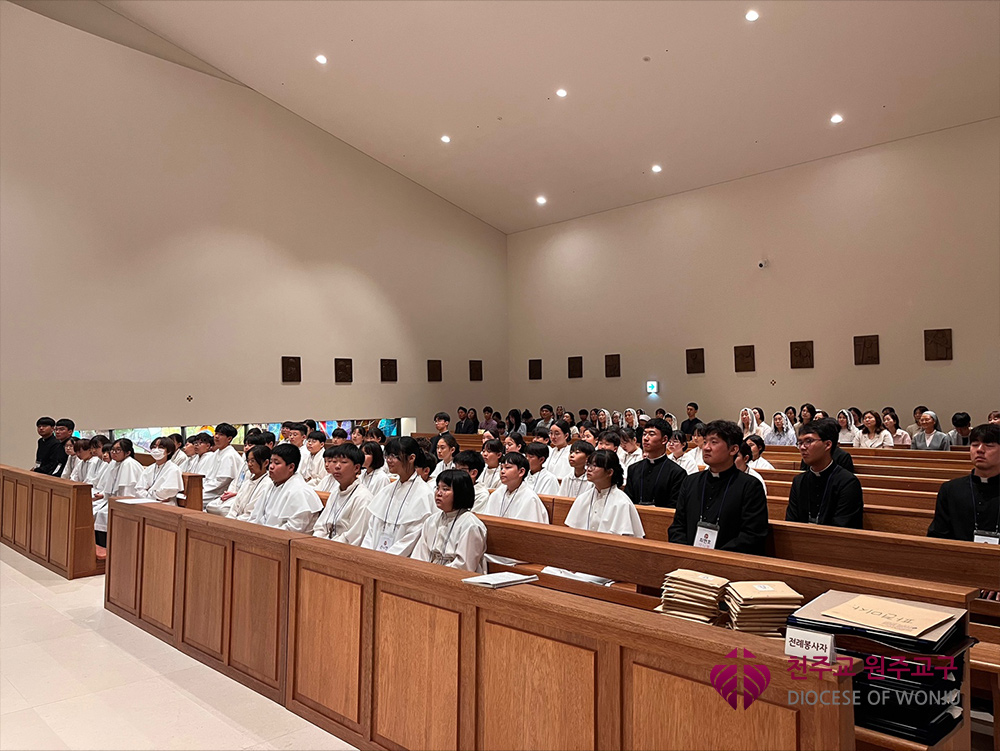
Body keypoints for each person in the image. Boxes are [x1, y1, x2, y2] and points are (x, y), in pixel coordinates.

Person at [667, 420, 769, 554]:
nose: (706, 448)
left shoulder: (750, 486)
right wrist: (688, 553)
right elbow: (677, 527)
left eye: (714, 442)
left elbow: (752, 535)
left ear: (733, 449)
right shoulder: (690, 482)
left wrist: (714, 557)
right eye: (705, 442)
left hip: (728, 560)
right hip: (688, 557)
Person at [360, 437, 435, 555]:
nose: (389, 460)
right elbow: (372, 527)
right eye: (388, 455)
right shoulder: (387, 490)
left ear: (411, 458)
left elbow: (413, 537)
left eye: (394, 456)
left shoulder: (425, 494)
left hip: (402, 558)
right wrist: (367, 553)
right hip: (374, 555)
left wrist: (387, 558)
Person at [786, 418, 864, 528]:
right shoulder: (799, 481)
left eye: (809, 441)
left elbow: (843, 528)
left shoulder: (847, 482)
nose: (802, 447)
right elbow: (791, 523)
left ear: (827, 445)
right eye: (800, 442)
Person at [927, 424, 999, 541]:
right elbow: (938, 534)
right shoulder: (950, 489)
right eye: (974, 445)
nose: (980, 450)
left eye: (989, 445)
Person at [411, 470, 487, 572]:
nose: (438, 493)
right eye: (437, 488)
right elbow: (420, 555)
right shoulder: (431, 521)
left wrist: (434, 574)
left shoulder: (471, 525)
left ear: (460, 493)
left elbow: (465, 565)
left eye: (445, 489)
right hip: (429, 572)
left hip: (456, 576)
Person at [564, 450, 644, 537]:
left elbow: (625, 539)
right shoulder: (582, 498)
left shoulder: (622, 503)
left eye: (594, 466)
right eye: (589, 465)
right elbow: (571, 532)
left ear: (609, 472)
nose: (589, 469)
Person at [249, 443, 323, 532]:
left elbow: (294, 528)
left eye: (276, 463)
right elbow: (255, 516)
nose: (271, 467)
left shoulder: (300, 492)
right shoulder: (271, 485)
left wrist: (263, 533)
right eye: (271, 462)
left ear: (291, 467)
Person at [311, 443, 374, 543]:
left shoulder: (363, 498)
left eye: (343, 462)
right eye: (334, 461)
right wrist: (317, 541)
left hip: (343, 548)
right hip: (325, 544)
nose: (337, 466)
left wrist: (326, 544)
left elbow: (354, 538)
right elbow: (320, 526)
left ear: (356, 468)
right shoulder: (335, 493)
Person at [92, 439, 145, 553]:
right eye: (113, 450)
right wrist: (104, 495)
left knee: (102, 514)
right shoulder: (114, 463)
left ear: (128, 452)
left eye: (118, 450)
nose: (114, 453)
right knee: (94, 510)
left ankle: (108, 548)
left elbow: (128, 491)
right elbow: (110, 486)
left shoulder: (129, 464)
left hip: (128, 502)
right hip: (113, 499)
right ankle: (98, 547)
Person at [624, 418, 688, 508]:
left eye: (651, 434)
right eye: (644, 434)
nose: (645, 438)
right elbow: (627, 502)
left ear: (664, 440)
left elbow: (675, 507)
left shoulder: (677, 473)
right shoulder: (633, 469)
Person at [479, 452, 549, 523]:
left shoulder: (530, 498)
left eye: (507, 467)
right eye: (501, 468)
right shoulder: (496, 494)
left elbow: (531, 527)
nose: (502, 471)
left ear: (521, 472)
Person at [226, 446, 273, 522]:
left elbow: (252, 513)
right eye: (248, 461)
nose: (249, 464)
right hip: (236, 519)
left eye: (253, 461)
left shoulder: (267, 484)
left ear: (266, 463)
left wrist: (234, 521)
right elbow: (235, 506)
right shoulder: (248, 481)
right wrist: (230, 518)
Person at [201, 423, 243, 508]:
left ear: (229, 438)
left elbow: (222, 481)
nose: (216, 436)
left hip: (219, 492)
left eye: (221, 434)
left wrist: (204, 488)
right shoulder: (216, 453)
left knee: (193, 498)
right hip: (209, 488)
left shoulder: (230, 455)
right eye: (216, 433)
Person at [133, 437, 185, 504]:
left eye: (161, 447)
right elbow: (139, 490)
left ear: (169, 451)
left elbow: (167, 492)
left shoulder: (173, 469)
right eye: (154, 447)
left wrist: (148, 492)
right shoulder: (149, 468)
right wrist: (153, 495)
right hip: (147, 502)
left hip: (166, 505)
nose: (156, 450)